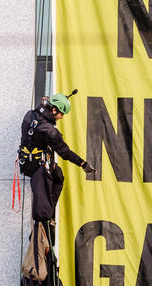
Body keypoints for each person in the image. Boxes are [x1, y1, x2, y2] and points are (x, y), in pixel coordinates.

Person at [18, 93, 95, 224]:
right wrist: (82, 163)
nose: (62, 117)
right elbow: (65, 152)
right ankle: (45, 224)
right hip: (38, 168)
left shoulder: (30, 115)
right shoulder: (50, 131)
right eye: (61, 114)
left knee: (58, 176)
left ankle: (48, 214)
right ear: (54, 110)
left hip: (25, 162)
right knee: (41, 212)